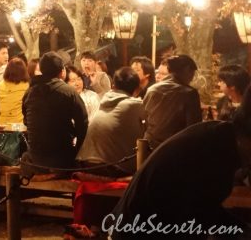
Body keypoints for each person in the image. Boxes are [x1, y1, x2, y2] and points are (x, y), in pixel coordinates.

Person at [106, 102, 251, 238]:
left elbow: (205, 209)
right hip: (140, 231)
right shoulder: (216, 150)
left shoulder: (217, 136)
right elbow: (198, 215)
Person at [21, 52, 88, 175]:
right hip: (62, 160)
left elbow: (26, 121)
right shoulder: (69, 92)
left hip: (35, 159)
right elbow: (83, 125)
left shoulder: (29, 92)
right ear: (62, 71)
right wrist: (76, 151)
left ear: (41, 69)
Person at [76, 67, 145, 176]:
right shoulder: (134, 105)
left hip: (85, 163)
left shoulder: (104, 101)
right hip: (109, 167)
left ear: (113, 86)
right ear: (137, 89)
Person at [142, 53, 201, 150]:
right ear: (187, 70)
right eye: (192, 73)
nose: (192, 77)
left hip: (150, 145)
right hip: (174, 147)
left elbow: (144, 117)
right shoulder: (189, 93)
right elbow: (193, 127)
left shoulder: (152, 89)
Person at [0, 58, 29, 126]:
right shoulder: (26, 87)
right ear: (24, 71)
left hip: (0, 127)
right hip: (18, 127)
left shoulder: (0, 85)